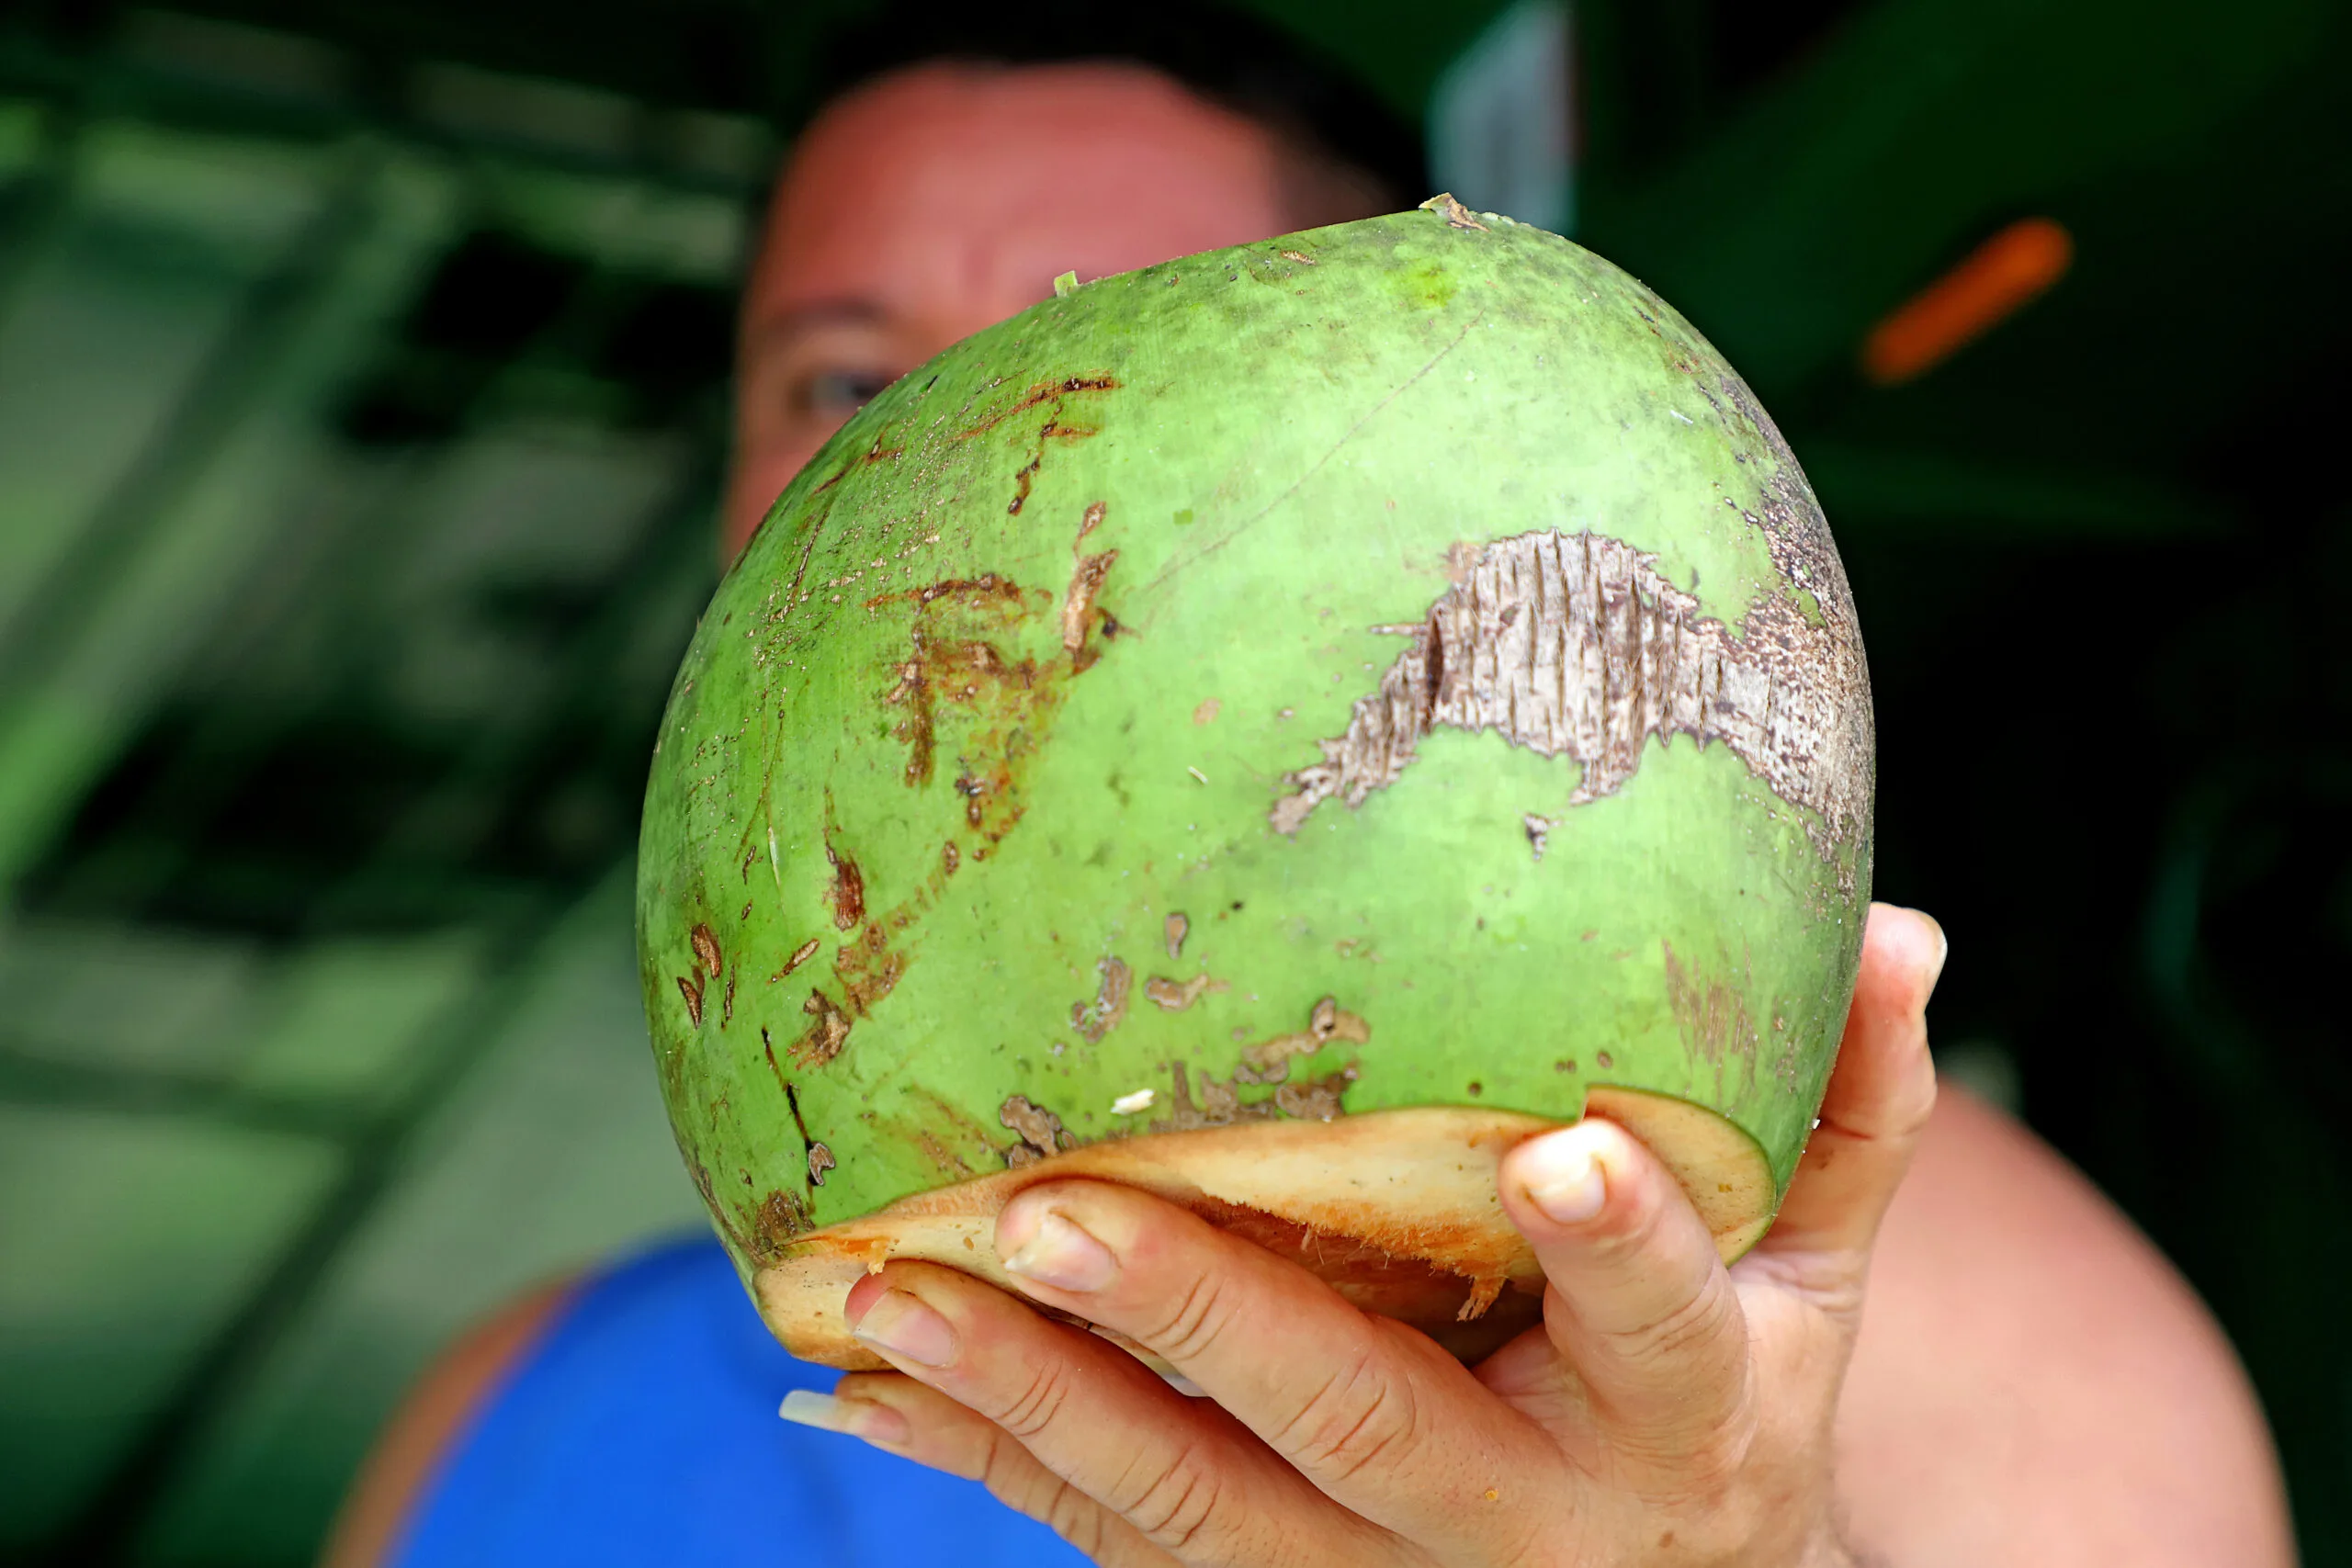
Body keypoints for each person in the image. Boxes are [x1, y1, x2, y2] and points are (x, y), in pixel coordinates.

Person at [325, 6, 2295, 1566]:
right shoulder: (510, 1406)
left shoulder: (1933, 1306)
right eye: (846, 386)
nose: (958, 475)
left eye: (1085, 352)